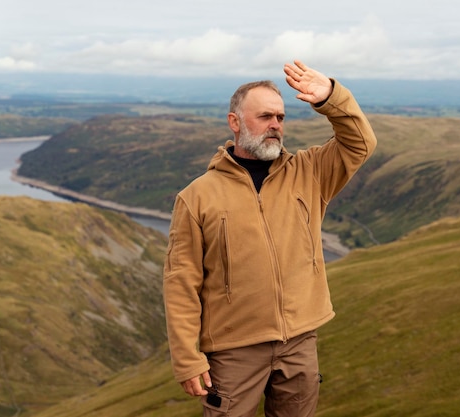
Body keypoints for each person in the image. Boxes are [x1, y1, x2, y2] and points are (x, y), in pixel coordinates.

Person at [162, 60, 377, 417]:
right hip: (233, 351)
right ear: (235, 122)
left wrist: (332, 98)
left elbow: (360, 144)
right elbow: (181, 282)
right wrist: (187, 358)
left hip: (300, 342)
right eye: (264, 116)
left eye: (280, 117)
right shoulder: (197, 196)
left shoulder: (310, 173)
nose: (275, 125)